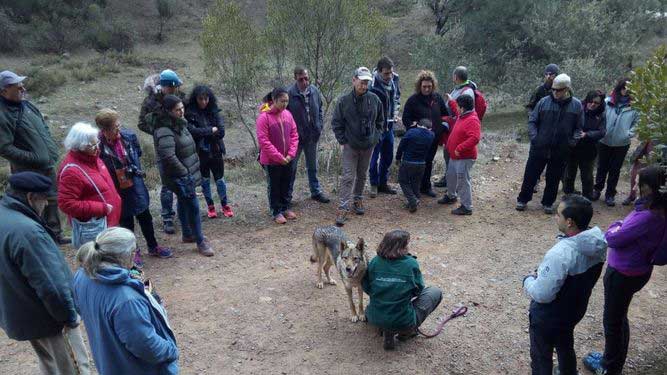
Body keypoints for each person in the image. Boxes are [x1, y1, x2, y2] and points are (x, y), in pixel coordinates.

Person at [0, 172, 91, 375]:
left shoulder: (4, 216)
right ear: (31, 197)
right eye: (45, 201)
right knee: (73, 368)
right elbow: (51, 286)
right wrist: (68, 317)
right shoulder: (27, 232)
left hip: (23, 314)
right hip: (49, 319)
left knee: (51, 366)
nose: (47, 207)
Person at [583, 165, 667, 375]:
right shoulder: (658, 209)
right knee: (620, 316)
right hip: (638, 270)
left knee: (612, 321)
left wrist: (615, 225)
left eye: (638, 181)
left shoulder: (647, 216)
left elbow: (613, 237)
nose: (634, 183)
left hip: (623, 273)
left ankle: (609, 367)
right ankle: (613, 360)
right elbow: (623, 228)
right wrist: (620, 224)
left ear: (648, 187)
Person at [73, 227, 179, 375]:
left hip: (109, 363)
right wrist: (171, 350)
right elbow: (147, 347)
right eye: (134, 251)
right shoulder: (127, 301)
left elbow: (80, 307)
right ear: (127, 255)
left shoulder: (83, 275)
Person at [523, 195, 607, 375]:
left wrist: (528, 280)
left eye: (558, 214)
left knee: (541, 355)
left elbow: (542, 294)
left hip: (550, 316)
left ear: (569, 222)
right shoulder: (598, 243)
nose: (555, 216)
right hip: (574, 309)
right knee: (565, 343)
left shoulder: (560, 254)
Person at [0, 70, 70, 245]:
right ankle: (35, 237)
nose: (22, 87)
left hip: (45, 164)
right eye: (17, 86)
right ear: (3, 91)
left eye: (21, 84)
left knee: (51, 197)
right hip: (27, 168)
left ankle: (55, 234)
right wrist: (32, 157)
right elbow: (4, 147)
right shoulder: (3, 114)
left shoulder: (27, 106)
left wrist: (49, 151)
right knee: (31, 201)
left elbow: (44, 128)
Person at [96, 109, 173, 266]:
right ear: (104, 130)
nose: (119, 130)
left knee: (145, 217)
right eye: (114, 128)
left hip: (135, 184)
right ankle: (134, 252)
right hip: (116, 189)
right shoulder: (98, 147)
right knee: (126, 222)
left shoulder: (129, 137)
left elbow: (137, 153)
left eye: (119, 125)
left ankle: (153, 246)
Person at [148, 95, 215, 257]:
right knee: (193, 206)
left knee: (184, 202)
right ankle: (200, 241)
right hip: (178, 176)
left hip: (182, 173)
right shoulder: (164, 130)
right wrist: (184, 172)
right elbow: (168, 156)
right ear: (168, 111)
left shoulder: (178, 123)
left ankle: (187, 233)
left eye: (182, 108)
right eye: (178, 110)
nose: (182, 112)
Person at [362, 229, 443, 351]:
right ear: (402, 247)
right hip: (403, 321)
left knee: (384, 310)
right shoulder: (411, 263)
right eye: (407, 244)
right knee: (435, 291)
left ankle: (385, 329)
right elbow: (419, 289)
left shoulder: (374, 261)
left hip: (374, 317)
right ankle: (405, 332)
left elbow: (366, 286)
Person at [516, 74, 584, 214]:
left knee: (553, 177)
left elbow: (579, 128)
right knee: (530, 174)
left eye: (558, 90)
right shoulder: (543, 102)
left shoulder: (576, 105)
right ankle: (523, 199)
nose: (555, 92)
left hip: (561, 150)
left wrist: (571, 142)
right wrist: (535, 138)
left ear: (567, 89)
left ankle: (548, 203)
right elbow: (532, 121)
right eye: (553, 89)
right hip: (539, 147)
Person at [332, 67, 384, 226]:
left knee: (362, 174)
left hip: (368, 145)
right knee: (348, 176)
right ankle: (343, 207)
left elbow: (380, 122)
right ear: (354, 80)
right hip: (350, 145)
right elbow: (336, 123)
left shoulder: (375, 99)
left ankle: (358, 199)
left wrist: (375, 138)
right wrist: (343, 141)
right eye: (362, 82)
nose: (364, 85)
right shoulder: (343, 101)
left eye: (367, 82)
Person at [58, 122, 122, 249]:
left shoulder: (94, 158)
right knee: (99, 262)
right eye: (92, 145)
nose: (97, 147)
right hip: (95, 227)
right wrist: (101, 208)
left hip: (108, 222)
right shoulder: (72, 171)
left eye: (97, 142)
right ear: (79, 146)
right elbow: (66, 203)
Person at [138, 69, 186, 234]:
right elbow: (141, 123)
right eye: (174, 86)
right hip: (163, 148)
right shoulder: (150, 102)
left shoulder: (180, 96)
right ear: (167, 86)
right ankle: (167, 217)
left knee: (183, 178)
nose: (176, 89)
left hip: (180, 145)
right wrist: (159, 132)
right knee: (167, 183)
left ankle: (183, 214)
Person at [185, 85, 234, 219]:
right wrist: (210, 130)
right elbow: (192, 132)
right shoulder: (190, 114)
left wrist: (205, 132)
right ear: (196, 99)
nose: (204, 102)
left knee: (220, 180)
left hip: (216, 150)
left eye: (206, 99)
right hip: (201, 153)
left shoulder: (214, 111)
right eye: (201, 99)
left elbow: (221, 131)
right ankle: (210, 206)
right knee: (205, 180)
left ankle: (225, 205)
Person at [401, 70, 451, 197]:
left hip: (433, 138)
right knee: (417, 163)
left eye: (429, 86)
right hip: (418, 140)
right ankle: (413, 188)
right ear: (419, 86)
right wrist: (413, 127)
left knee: (428, 161)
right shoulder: (413, 100)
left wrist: (443, 129)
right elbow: (406, 118)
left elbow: (445, 115)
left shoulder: (437, 98)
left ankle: (425, 187)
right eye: (424, 86)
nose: (427, 89)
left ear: (433, 85)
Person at [286, 66, 330, 203]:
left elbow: (320, 109)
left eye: (306, 78)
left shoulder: (315, 91)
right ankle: (287, 196)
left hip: (312, 136)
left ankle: (315, 192)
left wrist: (319, 126)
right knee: (291, 169)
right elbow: (284, 116)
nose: (304, 82)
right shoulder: (289, 94)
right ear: (295, 79)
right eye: (301, 79)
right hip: (296, 139)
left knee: (312, 166)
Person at [256, 87, 299, 224]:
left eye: (287, 101)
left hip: (288, 158)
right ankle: (276, 211)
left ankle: (285, 207)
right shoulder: (264, 118)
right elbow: (264, 141)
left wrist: (291, 154)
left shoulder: (288, 114)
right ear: (274, 100)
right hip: (272, 160)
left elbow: (294, 135)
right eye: (282, 101)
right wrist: (279, 157)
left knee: (286, 184)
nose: (285, 104)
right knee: (274, 186)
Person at [593, 78, 639, 206]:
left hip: (622, 143)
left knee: (615, 169)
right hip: (604, 140)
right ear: (620, 88)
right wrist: (600, 130)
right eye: (624, 88)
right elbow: (600, 117)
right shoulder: (608, 102)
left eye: (629, 89)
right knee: (601, 167)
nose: (626, 91)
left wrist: (628, 134)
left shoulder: (634, 106)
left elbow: (637, 123)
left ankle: (610, 195)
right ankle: (597, 190)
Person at [437, 94, 482, 215]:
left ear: (462, 108)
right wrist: (451, 101)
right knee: (450, 176)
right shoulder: (462, 115)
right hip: (455, 156)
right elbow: (456, 112)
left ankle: (467, 207)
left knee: (462, 181)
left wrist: (460, 148)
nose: (456, 108)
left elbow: (475, 138)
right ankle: (451, 196)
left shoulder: (472, 119)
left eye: (457, 106)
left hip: (464, 157)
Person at [562, 90, 607, 200]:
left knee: (587, 175)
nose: (592, 104)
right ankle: (568, 194)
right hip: (573, 147)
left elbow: (602, 132)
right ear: (587, 100)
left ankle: (587, 196)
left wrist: (587, 134)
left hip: (589, 148)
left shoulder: (601, 114)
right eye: (591, 101)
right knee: (569, 173)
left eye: (596, 103)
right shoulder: (578, 108)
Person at [368, 57, 401, 197]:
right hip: (376, 127)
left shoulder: (394, 80)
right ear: (379, 71)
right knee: (374, 157)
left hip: (390, 125)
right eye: (386, 73)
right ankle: (374, 184)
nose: (389, 76)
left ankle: (383, 183)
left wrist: (395, 113)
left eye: (391, 73)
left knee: (388, 155)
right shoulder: (371, 84)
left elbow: (396, 98)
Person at [395, 118, 435, 212]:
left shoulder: (411, 132)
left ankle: (412, 200)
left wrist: (398, 158)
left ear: (418, 125)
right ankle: (415, 199)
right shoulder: (431, 135)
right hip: (422, 163)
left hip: (408, 162)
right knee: (416, 183)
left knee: (403, 181)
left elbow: (401, 146)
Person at [622, 140, 653, 206]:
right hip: (647, 139)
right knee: (636, 169)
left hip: (659, 140)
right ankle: (632, 195)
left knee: (653, 173)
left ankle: (647, 199)